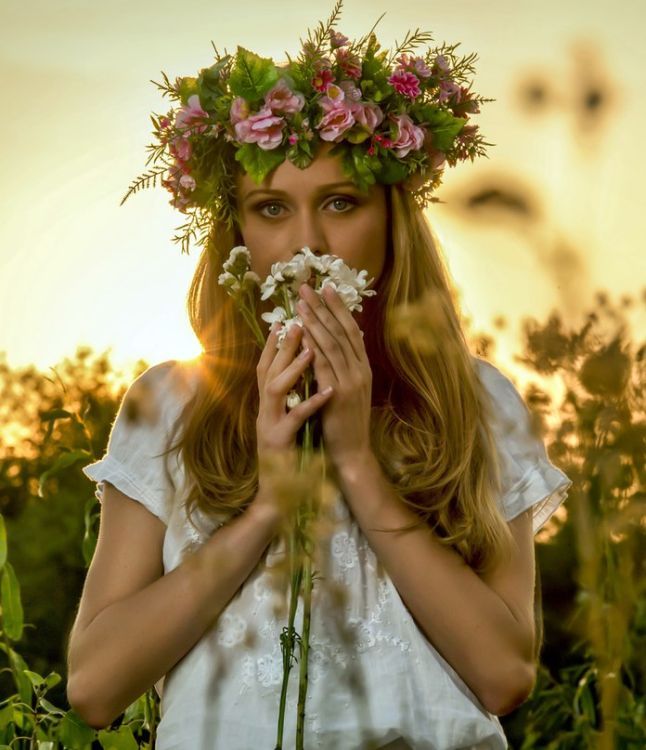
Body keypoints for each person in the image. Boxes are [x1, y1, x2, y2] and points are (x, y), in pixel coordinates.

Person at [65, 7, 573, 749]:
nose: (307, 243)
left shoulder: (475, 398)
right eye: (271, 209)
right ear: (236, 231)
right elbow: (95, 688)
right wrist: (272, 504)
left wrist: (358, 464)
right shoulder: (172, 402)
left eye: (341, 203)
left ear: (392, 218)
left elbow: (503, 674)